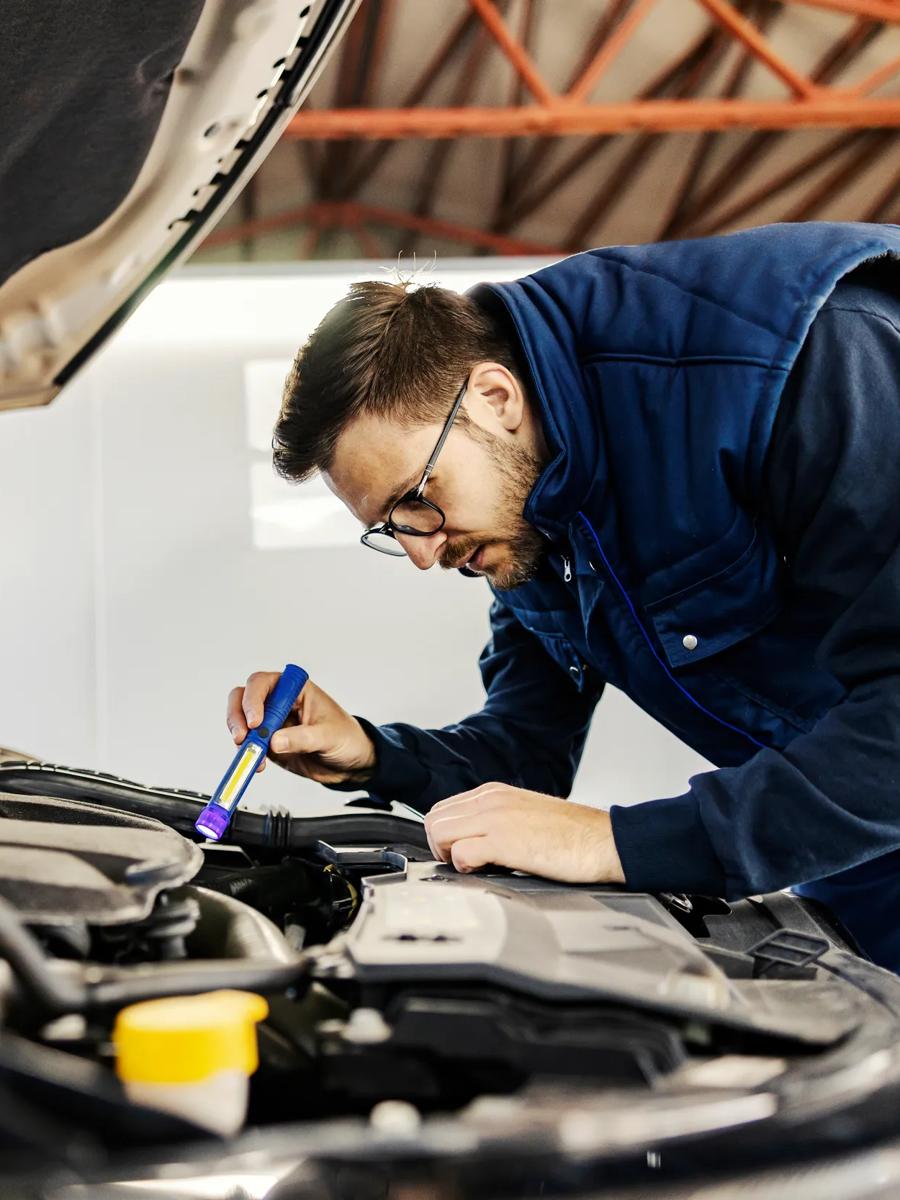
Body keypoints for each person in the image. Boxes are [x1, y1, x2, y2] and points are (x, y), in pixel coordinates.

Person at [227, 221, 900, 972]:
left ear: (494, 396)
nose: (421, 553)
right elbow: (526, 756)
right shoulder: (535, 520)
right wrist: (372, 754)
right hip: (843, 853)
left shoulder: (803, 361)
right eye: (391, 528)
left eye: (416, 498)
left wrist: (616, 843)